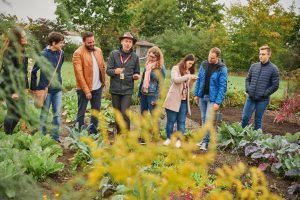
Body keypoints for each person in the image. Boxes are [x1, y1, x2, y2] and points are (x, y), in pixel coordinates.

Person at [31, 32, 65, 141]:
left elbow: (58, 70)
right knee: (44, 114)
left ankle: (55, 137)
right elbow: (34, 71)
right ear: (53, 43)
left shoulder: (61, 54)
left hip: (57, 90)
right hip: (45, 90)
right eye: (61, 43)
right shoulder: (43, 54)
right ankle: (42, 136)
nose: (62, 44)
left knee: (56, 115)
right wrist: (34, 88)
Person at [194, 47, 228, 151]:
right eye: (209, 56)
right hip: (202, 96)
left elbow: (223, 86)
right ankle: (204, 139)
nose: (210, 59)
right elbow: (199, 80)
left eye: (212, 58)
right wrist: (196, 94)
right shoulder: (204, 64)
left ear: (217, 57)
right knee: (204, 119)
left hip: (212, 99)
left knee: (208, 120)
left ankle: (205, 142)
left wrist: (218, 102)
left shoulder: (222, 68)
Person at [72, 31, 106, 134]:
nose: (92, 44)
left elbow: (102, 67)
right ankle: (79, 133)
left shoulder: (98, 50)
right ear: (83, 42)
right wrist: (87, 91)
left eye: (93, 42)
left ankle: (93, 132)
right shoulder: (78, 53)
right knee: (81, 112)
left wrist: (103, 82)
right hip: (83, 89)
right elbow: (79, 75)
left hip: (97, 87)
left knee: (96, 111)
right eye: (89, 42)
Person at [106, 32, 140, 133]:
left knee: (125, 112)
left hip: (127, 89)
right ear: (121, 42)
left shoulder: (135, 57)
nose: (128, 43)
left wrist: (136, 76)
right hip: (115, 89)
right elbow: (108, 71)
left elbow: (137, 71)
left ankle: (127, 134)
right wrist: (115, 71)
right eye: (126, 41)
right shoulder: (114, 54)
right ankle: (119, 134)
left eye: (130, 42)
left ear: (132, 44)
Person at [163, 54, 197, 148]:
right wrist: (188, 76)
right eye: (189, 63)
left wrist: (192, 81)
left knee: (181, 122)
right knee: (171, 121)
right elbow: (176, 80)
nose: (190, 65)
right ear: (185, 61)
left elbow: (188, 87)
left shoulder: (189, 71)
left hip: (183, 101)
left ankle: (179, 141)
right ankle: (168, 139)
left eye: (192, 64)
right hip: (173, 99)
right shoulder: (176, 68)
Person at [242, 45, 279, 130]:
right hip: (251, 98)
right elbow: (248, 79)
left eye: (263, 54)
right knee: (245, 117)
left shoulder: (273, 69)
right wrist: (248, 89)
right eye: (260, 54)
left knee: (257, 120)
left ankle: (257, 141)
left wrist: (264, 94)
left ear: (269, 55)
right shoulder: (254, 66)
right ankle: (242, 137)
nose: (261, 56)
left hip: (263, 100)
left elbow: (275, 85)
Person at [1, 27, 29, 134]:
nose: (25, 37)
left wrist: (26, 87)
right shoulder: (9, 52)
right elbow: (9, 74)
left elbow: (24, 72)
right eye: (23, 36)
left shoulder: (23, 51)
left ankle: (9, 133)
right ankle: (7, 136)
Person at [138, 46, 166, 114]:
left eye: (153, 57)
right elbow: (143, 79)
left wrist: (157, 98)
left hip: (152, 95)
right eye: (150, 56)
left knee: (153, 116)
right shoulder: (148, 65)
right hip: (143, 93)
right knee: (143, 114)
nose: (151, 58)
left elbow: (161, 84)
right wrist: (139, 93)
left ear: (158, 58)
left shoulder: (161, 68)